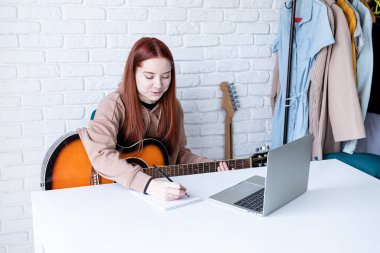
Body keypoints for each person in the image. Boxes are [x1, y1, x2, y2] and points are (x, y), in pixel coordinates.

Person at [78, 37, 229, 201]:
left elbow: (178, 155)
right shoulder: (113, 104)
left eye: (165, 76)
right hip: (117, 192)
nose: (158, 85)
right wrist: (150, 186)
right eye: (149, 77)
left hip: (157, 193)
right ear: (133, 73)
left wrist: (210, 165)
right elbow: (101, 155)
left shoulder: (174, 107)